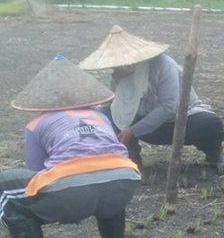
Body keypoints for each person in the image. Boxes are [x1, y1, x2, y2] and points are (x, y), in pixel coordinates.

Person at [1, 56, 141, 238]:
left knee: (5, 186)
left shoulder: (36, 124)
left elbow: (37, 174)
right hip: (125, 177)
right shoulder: (99, 115)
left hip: (71, 186)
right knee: (109, 187)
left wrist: (70, 204)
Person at [79, 25, 224, 172]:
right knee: (104, 114)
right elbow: (119, 103)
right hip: (141, 120)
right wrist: (117, 80)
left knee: (209, 123)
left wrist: (134, 130)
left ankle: (214, 153)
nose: (118, 67)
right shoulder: (121, 73)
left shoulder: (164, 65)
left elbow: (169, 106)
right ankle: (131, 156)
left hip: (175, 122)